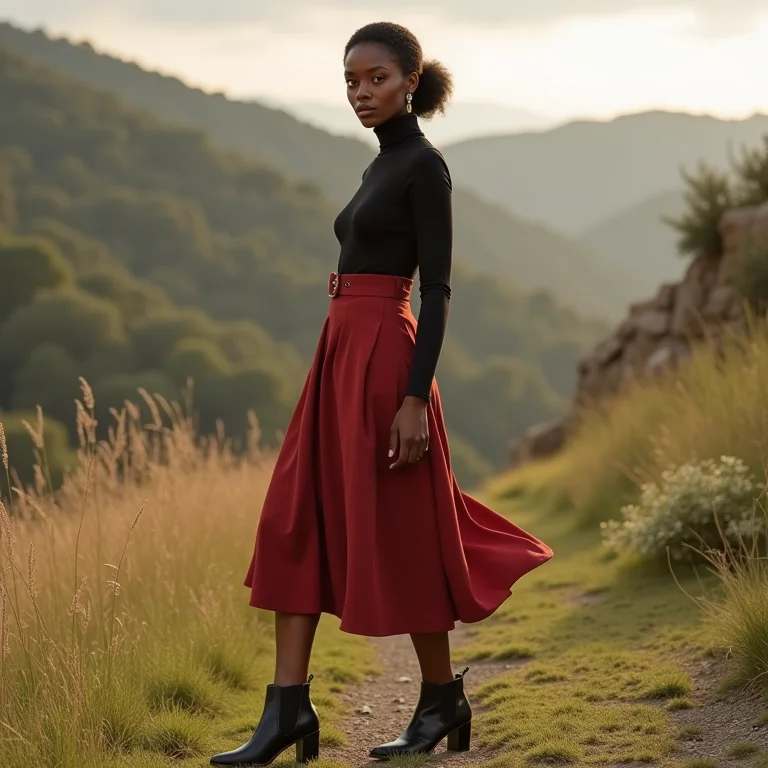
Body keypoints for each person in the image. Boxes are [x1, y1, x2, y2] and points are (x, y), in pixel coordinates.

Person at [210, 20, 553, 767]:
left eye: (376, 79)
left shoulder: (424, 166)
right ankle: (287, 710)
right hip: (337, 353)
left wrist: (413, 399)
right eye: (351, 81)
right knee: (294, 516)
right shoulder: (378, 165)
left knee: (402, 527)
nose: (361, 93)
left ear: (410, 81)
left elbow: (438, 292)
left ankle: (441, 699)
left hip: (384, 361)